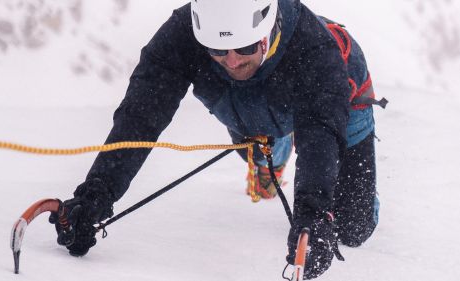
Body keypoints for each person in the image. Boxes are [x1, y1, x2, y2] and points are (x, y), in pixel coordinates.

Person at [50, 0, 382, 279]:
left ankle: (275, 143)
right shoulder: (181, 35)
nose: (233, 60)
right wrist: (98, 191)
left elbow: (321, 132)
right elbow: (141, 117)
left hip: (340, 96)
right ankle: (272, 151)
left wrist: (313, 212)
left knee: (353, 227)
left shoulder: (314, 49)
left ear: (267, 29)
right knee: (254, 123)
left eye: (246, 46)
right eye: (218, 49)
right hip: (245, 107)